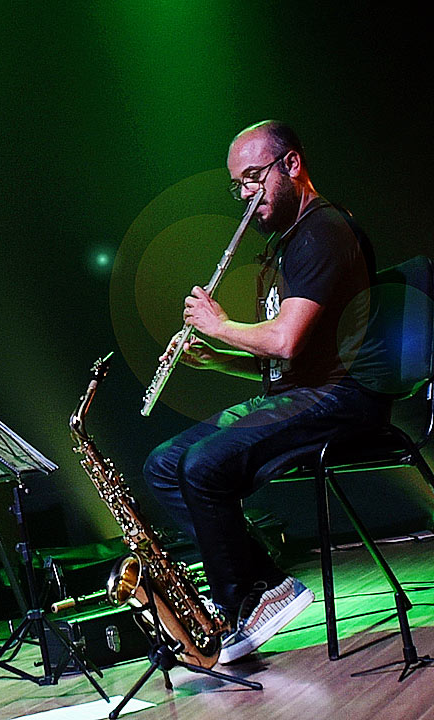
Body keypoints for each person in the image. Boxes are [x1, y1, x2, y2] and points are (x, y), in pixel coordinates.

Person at [143, 120, 390, 663]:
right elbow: (278, 359)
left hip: (343, 396)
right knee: (163, 465)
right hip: (301, 392)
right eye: (238, 185)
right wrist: (216, 356)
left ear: (292, 165)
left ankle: (248, 598)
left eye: (254, 177)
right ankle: (264, 585)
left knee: (204, 465)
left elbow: (285, 339)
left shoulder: (323, 231)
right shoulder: (287, 243)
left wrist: (217, 324)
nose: (246, 194)